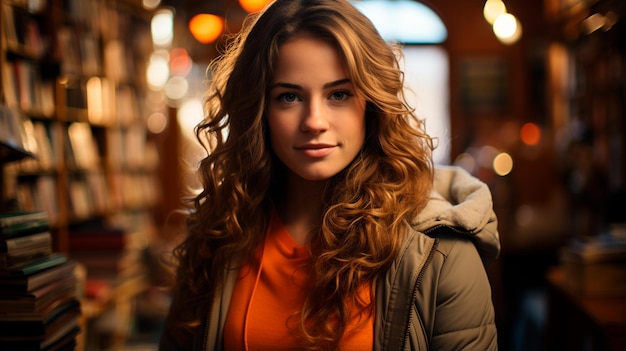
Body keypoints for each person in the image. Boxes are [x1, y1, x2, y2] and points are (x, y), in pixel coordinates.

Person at [159, 0, 500, 350]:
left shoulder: (439, 250)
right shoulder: (220, 231)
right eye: (289, 97)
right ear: (259, 110)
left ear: (372, 103)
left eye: (339, 94)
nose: (314, 122)